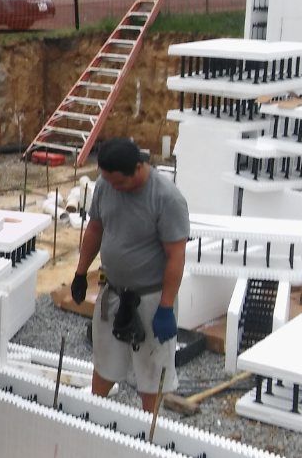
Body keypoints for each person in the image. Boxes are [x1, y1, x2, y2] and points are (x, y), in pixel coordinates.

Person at [70, 137, 189, 412]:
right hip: (113, 292)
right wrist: (79, 273)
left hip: (150, 298)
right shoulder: (105, 185)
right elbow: (95, 230)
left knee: (152, 371)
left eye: (119, 182)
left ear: (138, 168)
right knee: (105, 361)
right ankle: (93, 416)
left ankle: (149, 434)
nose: (114, 188)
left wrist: (166, 308)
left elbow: (176, 257)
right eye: (109, 181)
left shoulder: (166, 198)